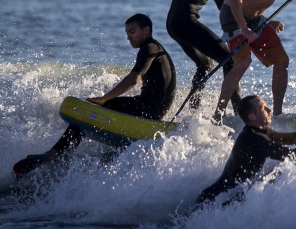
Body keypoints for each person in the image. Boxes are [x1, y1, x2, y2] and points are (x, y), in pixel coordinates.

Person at [13, 14, 177, 179]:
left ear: (146, 30)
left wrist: (105, 98)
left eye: (132, 31)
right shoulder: (156, 48)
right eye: (127, 32)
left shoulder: (149, 48)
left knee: (94, 110)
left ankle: (56, 153)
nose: (128, 37)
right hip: (154, 109)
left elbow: (133, 79)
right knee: (104, 109)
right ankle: (68, 155)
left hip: (148, 108)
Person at [196, 94, 296, 206]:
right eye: (264, 108)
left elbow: (291, 138)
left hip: (219, 198)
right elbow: (292, 155)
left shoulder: (254, 131)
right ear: (252, 116)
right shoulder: (257, 140)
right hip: (215, 202)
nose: (269, 110)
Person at [166, 0, 255, 113]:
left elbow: (224, 8)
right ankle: (238, 114)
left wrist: (239, 28)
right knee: (229, 60)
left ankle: (193, 112)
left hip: (174, 24)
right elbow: (233, 7)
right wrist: (252, 24)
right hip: (185, 22)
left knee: (205, 65)